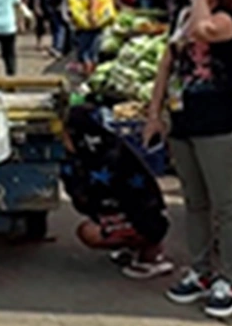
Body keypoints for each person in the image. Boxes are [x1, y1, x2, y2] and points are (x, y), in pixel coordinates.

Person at [143, 0, 232, 319]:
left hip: (218, 124)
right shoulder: (185, 15)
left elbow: (205, 31)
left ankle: (229, 279)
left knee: (226, 204)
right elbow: (167, 63)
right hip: (183, 122)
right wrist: (154, 114)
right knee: (195, 202)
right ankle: (201, 270)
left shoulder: (230, 18)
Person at [62, 105, 174, 280]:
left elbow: (87, 199)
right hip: (141, 212)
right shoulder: (104, 150)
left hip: (147, 218)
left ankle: (149, 254)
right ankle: (133, 244)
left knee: (89, 232)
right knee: (97, 221)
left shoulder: (102, 160)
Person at [69, 0, 113, 75]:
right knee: (86, 44)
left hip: (89, 19)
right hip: (85, 19)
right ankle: (87, 69)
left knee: (87, 46)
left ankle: (89, 70)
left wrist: (92, 13)